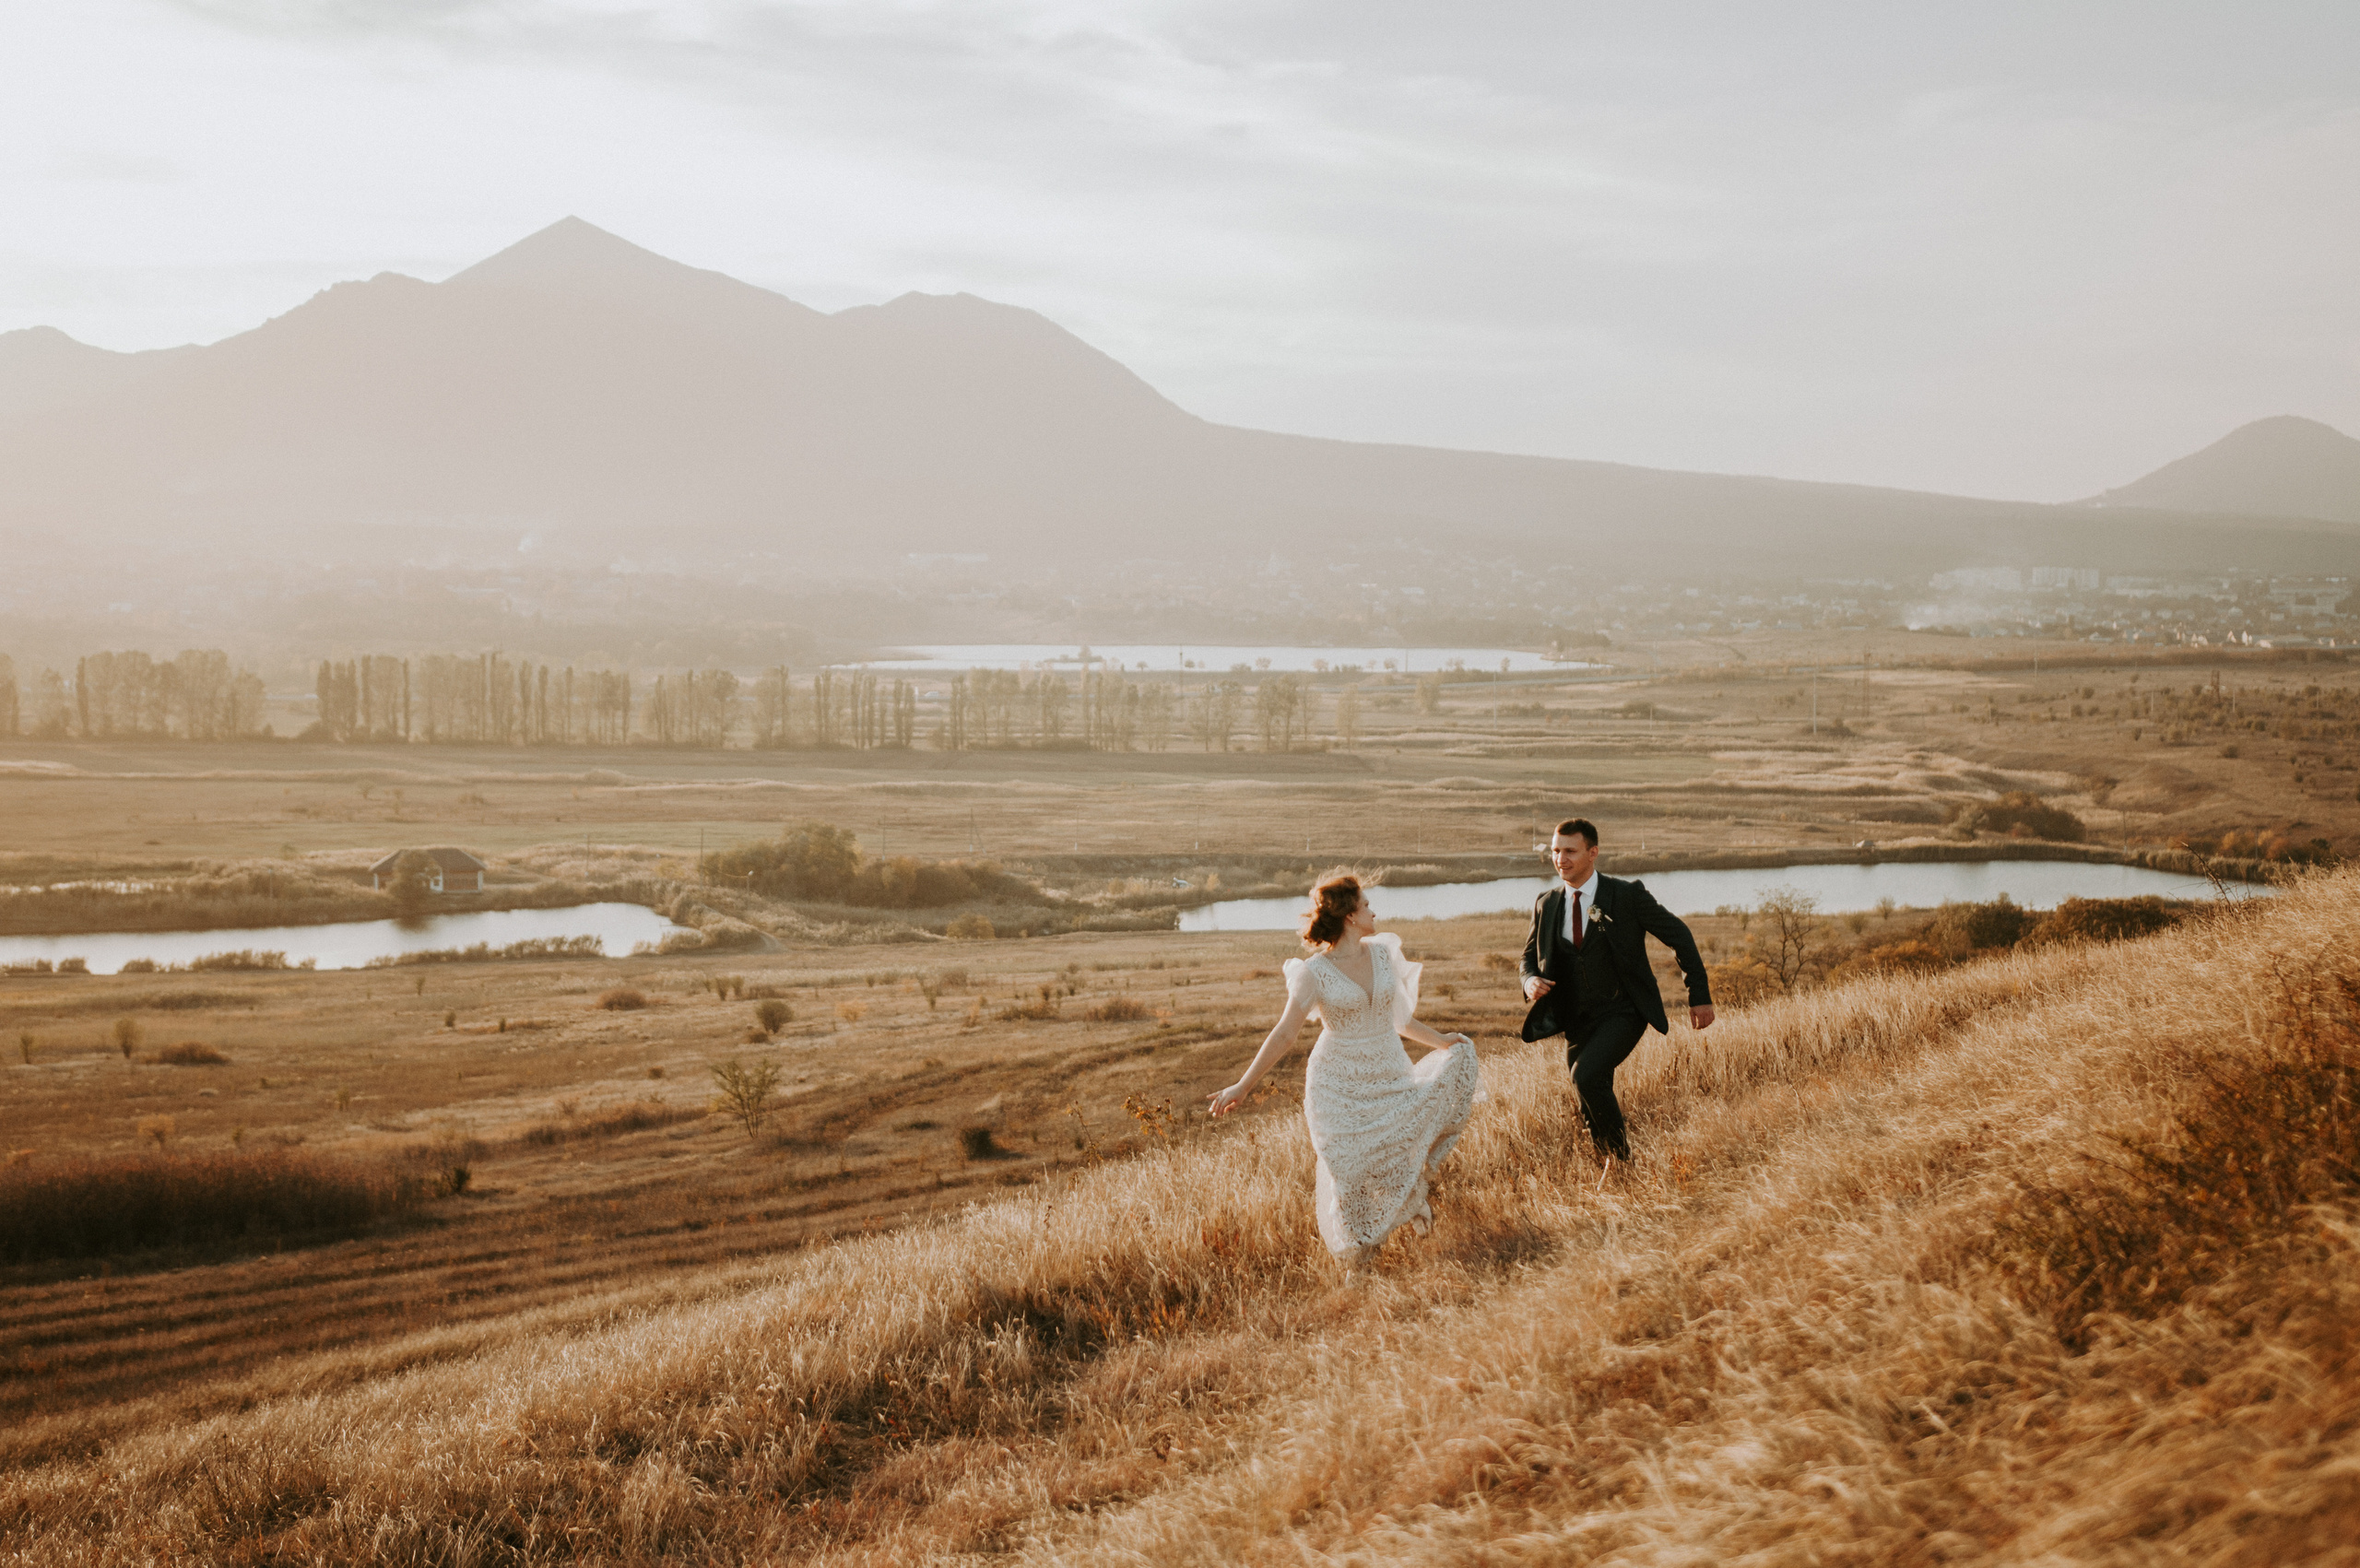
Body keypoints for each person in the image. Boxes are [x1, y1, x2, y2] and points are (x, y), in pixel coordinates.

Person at [1210, 872, 1482, 1276]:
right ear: (1351, 917)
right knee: (1349, 1169)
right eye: (1367, 905)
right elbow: (1285, 1033)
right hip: (1336, 1083)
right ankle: (1361, 1262)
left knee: (1397, 1142)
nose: (1374, 910)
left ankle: (1409, 1204)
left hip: (1388, 1071)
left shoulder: (1382, 954)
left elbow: (1400, 1020)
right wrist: (1243, 1085)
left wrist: (1444, 1041)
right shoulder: (1313, 972)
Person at [1519, 818, 1713, 1165]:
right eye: (1555, 851)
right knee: (1587, 1095)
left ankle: (1624, 1162)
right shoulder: (1546, 903)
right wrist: (1529, 981)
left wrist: (1698, 995)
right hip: (1576, 1019)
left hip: (1623, 1011)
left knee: (1586, 1075)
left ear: (1593, 853)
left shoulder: (1626, 895)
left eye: (1570, 851)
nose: (1560, 859)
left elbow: (1679, 935)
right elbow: (1527, 957)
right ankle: (1614, 1172)